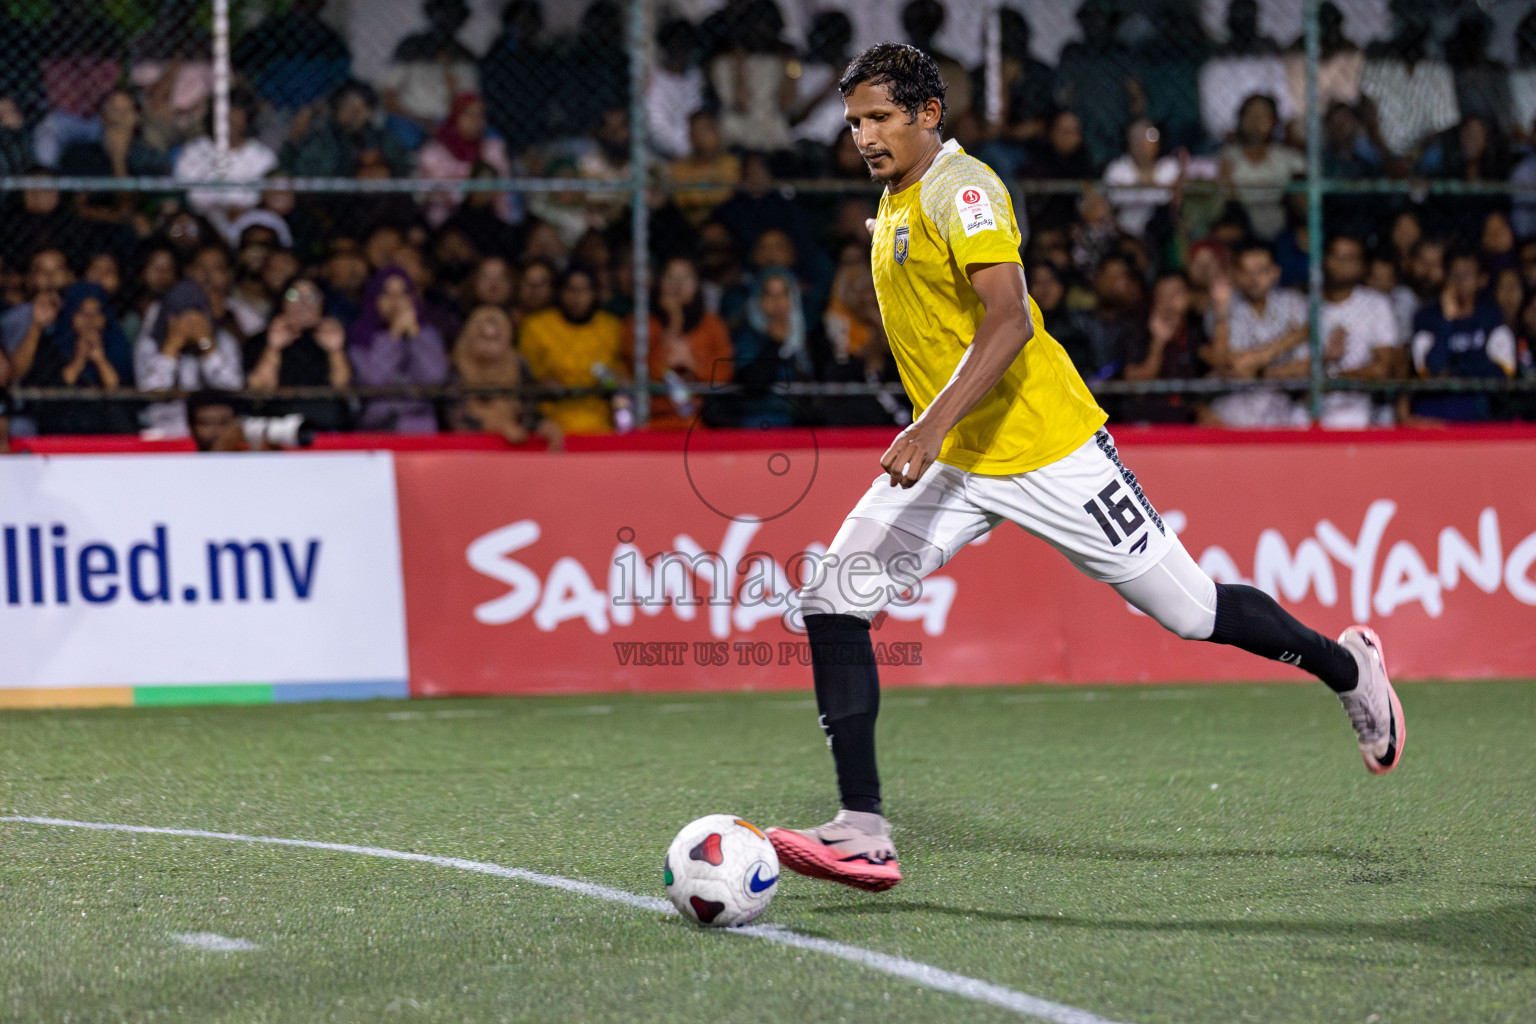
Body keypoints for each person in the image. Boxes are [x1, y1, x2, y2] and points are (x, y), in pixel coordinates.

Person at [765, 44, 1404, 893]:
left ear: (928, 114)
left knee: (1192, 610)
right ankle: (863, 829)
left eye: (881, 117)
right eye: (854, 123)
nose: (865, 136)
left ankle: (1349, 667)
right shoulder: (891, 202)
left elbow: (1010, 322)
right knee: (833, 594)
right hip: (958, 456)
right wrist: (938, 435)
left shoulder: (964, 190)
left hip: (1050, 449)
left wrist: (926, 425)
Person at [1265, 234, 1398, 428]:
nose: (1342, 264)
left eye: (1350, 258)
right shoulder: (1302, 305)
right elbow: (1279, 373)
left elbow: (1382, 369)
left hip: (1355, 407)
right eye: (1337, 256)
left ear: (1362, 266)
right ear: (1323, 260)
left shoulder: (1376, 304)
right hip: (1304, 407)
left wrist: (1332, 378)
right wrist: (1326, 357)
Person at [1201, 241, 1311, 428]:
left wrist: (1255, 369)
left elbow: (1306, 367)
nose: (1254, 279)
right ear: (1235, 274)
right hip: (1232, 410)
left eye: (1261, 271)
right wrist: (1289, 339)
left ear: (1275, 272)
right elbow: (1230, 365)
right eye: (1246, 271)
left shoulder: (1295, 304)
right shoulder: (1221, 308)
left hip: (1282, 410)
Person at [623, 256, 733, 430]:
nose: (677, 284)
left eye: (686, 278)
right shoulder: (640, 323)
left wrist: (693, 365)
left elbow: (723, 375)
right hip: (651, 417)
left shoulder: (712, 325)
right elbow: (645, 372)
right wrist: (674, 321)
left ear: (697, 285)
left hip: (701, 419)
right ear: (659, 282)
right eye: (671, 277)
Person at [13, 281, 137, 434]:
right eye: (82, 313)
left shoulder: (118, 349)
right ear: (70, 315)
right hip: (63, 430)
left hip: (109, 433)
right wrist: (78, 362)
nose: (90, 320)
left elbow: (122, 396)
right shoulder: (53, 348)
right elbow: (45, 400)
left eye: (97, 313)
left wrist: (100, 360)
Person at [1407, 249, 1517, 422]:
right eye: (1455, 275)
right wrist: (1447, 320)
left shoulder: (1492, 316)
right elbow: (1432, 370)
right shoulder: (1427, 318)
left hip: (1480, 408)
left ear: (1481, 279)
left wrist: (1455, 370)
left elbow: (1504, 372)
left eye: (1467, 275)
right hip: (1435, 410)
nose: (1460, 282)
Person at [517, 264, 624, 435]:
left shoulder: (611, 327)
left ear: (595, 293)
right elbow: (523, 375)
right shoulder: (536, 326)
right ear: (559, 293)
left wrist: (612, 381)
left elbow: (623, 376)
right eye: (571, 290)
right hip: (551, 421)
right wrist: (542, 385)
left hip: (601, 421)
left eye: (584, 290)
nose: (577, 298)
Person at [136, 279, 245, 437]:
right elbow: (151, 391)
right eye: (182, 316)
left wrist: (207, 345)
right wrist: (171, 347)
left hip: (215, 433)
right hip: (165, 431)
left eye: (196, 316)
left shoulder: (224, 341)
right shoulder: (149, 345)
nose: (189, 323)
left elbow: (233, 386)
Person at [347, 267, 450, 433]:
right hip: (376, 427)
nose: (396, 301)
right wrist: (393, 336)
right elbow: (374, 381)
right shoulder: (360, 337)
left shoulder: (427, 334)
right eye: (387, 294)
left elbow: (435, 379)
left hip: (421, 426)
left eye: (403, 294)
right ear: (374, 299)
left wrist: (416, 336)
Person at [243, 276, 352, 431]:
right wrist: (273, 348)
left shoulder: (335, 338)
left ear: (323, 303)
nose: (303, 303)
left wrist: (336, 350)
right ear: (282, 302)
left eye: (311, 297)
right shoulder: (259, 341)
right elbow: (258, 391)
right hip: (277, 428)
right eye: (294, 296)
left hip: (327, 427)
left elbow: (343, 388)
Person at [450, 304, 562, 448]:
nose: (489, 346)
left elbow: (529, 408)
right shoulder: (457, 366)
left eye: (495, 339)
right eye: (483, 338)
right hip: (469, 448)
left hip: (513, 446)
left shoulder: (518, 364)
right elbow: (456, 418)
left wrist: (539, 425)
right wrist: (499, 426)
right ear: (470, 337)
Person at [1218, 94, 1305, 241]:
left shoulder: (1289, 157)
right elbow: (1225, 193)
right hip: (1241, 222)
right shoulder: (1229, 155)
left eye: (1262, 115)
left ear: (1274, 121)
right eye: (1250, 114)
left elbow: (1301, 198)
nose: (1255, 121)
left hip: (1283, 223)